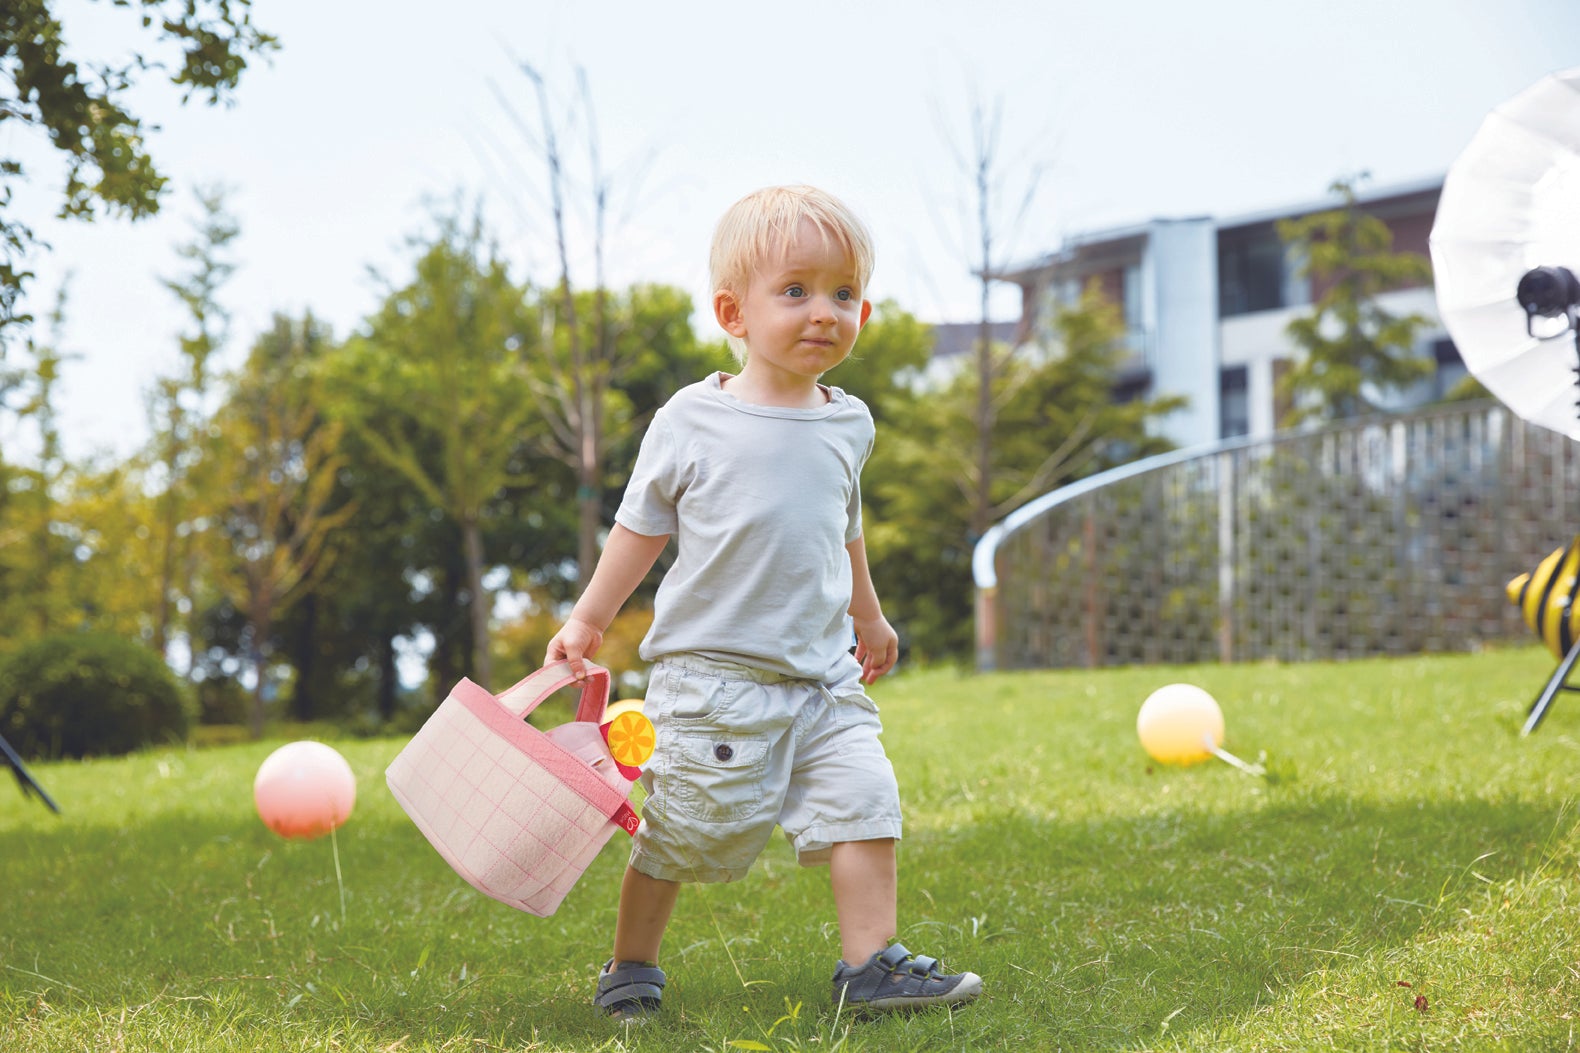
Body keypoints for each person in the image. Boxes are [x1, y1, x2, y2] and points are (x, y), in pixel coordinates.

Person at [545, 184, 981, 1021]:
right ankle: (630, 965)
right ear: (732, 313)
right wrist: (589, 617)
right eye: (796, 291)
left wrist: (870, 615)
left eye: (844, 293)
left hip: (823, 678)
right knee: (682, 833)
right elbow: (639, 527)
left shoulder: (849, 423)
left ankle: (871, 967)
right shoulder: (693, 419)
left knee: (866, 801)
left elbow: (841, 527)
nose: (825, 311)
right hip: (716, 684)